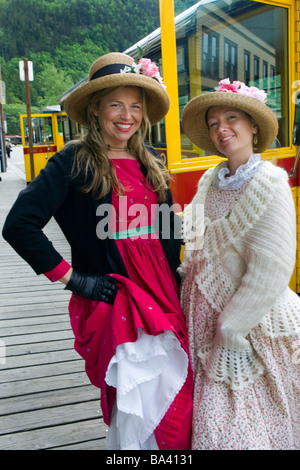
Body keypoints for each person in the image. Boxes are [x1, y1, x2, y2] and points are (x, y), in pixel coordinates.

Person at [2, 52, 193, 450]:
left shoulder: (152, 161)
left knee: (177, 400)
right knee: (141, 400)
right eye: (116, 105)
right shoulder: (74, 160)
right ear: (95, 109)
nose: (127, 115)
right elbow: (18, 224)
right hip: (117, 296)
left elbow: (169, 231)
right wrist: (73, 280)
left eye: (135, 106)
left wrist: (186, 272)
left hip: (163, 293)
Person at [180, 78, 300, 450]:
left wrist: (231, 328)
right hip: (200, 319)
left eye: (231, 118)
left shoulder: (269, 182)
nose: (221, 129)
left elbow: (272, 268)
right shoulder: (209, 180)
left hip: (248, 325)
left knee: (237, 429)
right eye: (214, 123)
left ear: (252, 126)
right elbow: (195, 245)